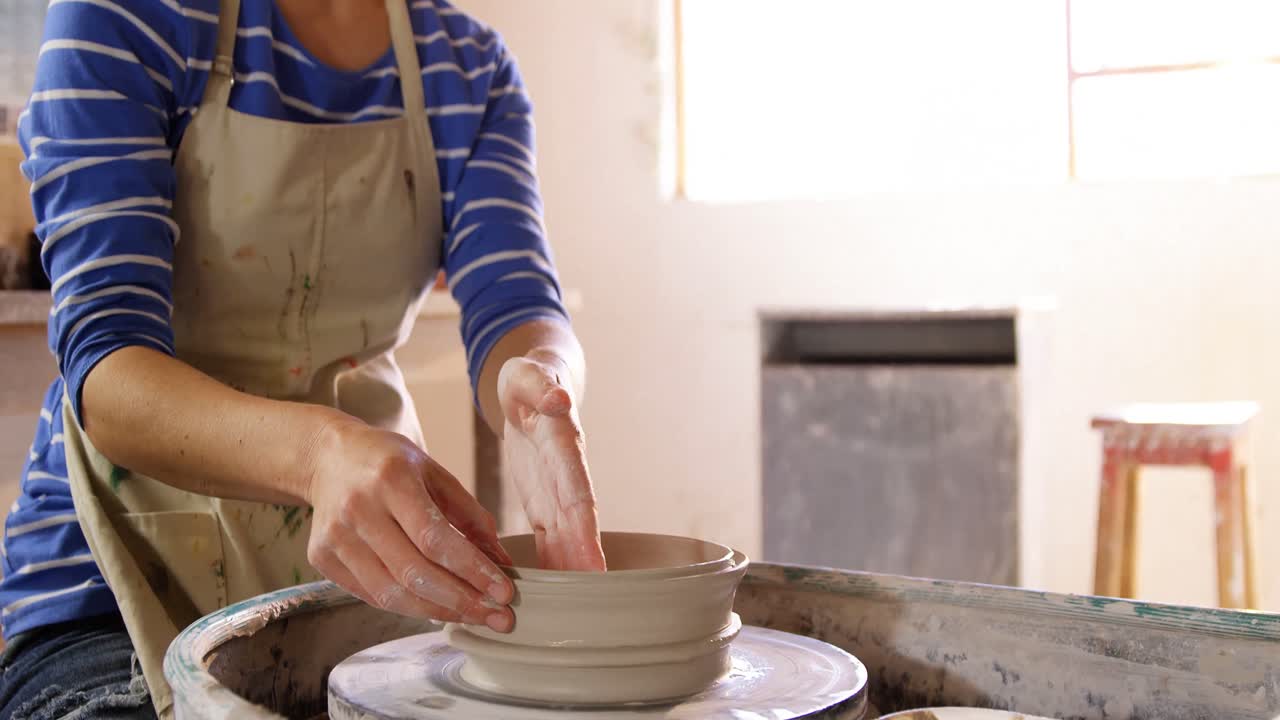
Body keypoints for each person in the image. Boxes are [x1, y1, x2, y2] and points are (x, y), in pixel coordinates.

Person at [0, 0, 607, 716]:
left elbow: (516, 303)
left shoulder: (466, 65)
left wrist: (541, 386)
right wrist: (320, 455)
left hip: (359, 586)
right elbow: (108, 374)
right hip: (114, 589)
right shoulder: (130, 15)